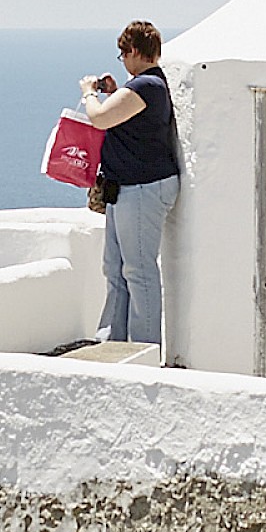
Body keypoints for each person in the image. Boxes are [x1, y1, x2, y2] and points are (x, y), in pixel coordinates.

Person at [79, 23, 180, 349]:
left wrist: (89, 93)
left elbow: (100, 118)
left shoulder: (148, 85)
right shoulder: (144, 86)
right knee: (116, 269)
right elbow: (124, 110)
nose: (123, 60)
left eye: (123, 53)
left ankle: (144, 350)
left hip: (141, 190)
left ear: (134, 50)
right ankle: (112, 342)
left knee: (138, 272)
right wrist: (115, 90)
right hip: (127, 191)